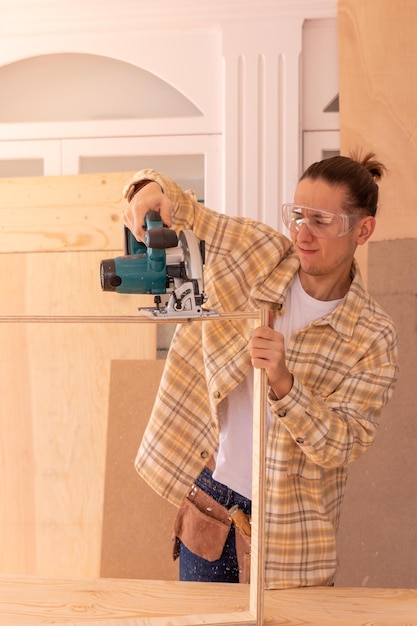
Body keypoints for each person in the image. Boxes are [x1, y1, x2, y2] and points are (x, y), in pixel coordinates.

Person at [122, 153, 399, 589]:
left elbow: (344, 443)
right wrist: (148, 192)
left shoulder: (372, 335)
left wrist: (285, 385)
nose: (302, 234)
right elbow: (187, 208)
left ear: (362, 230)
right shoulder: (261, 255)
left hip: (291, 536)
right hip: (212, 503)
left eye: (321, 221)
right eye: (297, 215)